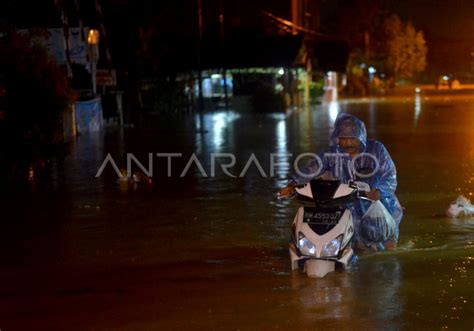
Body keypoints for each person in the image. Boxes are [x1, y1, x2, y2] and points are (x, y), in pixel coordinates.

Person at [279, 113, 403, 251]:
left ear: (361, 137)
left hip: (379, 207)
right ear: (337, 138)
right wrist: (292, 184)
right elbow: (310, 170)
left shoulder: (376, 150)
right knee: (356, 248)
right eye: (343, 138)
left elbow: (390, 174)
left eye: (352, 139)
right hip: (349, 207)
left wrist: (380, 190)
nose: (348, 143)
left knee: (387, 249)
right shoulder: (331, 154)